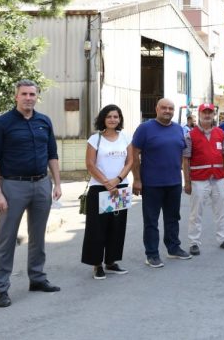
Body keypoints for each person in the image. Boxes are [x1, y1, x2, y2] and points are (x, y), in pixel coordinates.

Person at [0, 80, 62, 308]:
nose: (29, 97)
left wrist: (57, 184)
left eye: (32, 94)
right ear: (16, 97)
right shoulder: (2, 123)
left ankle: (37, 279)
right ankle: (1, 289)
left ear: (37, 97)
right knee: (6, 239)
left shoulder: (44, 121)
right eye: (24, 94)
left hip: (41, 185)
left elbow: (52, 154)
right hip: (12, 187)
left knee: (38, 236)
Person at [131, 98, 192, 268]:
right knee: (151, 221)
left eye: (170, 108)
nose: (167, 111)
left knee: (173, 218)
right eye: (164, 108)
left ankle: (173, 248)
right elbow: (134, 153)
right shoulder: (145, 128)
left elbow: (181, 153)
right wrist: (136, 179)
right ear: (156, 109)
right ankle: (152, 254)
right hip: (151, 183)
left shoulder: (179, 129)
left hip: (173, 182)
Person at [82, 104, 133, 279]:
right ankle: (97, 264)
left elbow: (130, 161)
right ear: (103, 118)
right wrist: (106, 182)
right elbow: (90, 164)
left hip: (119, 188)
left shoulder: (125, 138)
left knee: (117, 227)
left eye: (116, 117)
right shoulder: (94, 139)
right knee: (97, 228)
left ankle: (111, 262)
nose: (113, 119)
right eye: (109, 116)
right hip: (99, 188)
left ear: (120, 119)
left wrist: (117, 180)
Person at [183, 103, 224, 255]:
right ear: (199, 114)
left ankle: (223, 238)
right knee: (196, 212)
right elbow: (185, 159)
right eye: (204, 112)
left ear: (214, 115)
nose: (207, 115)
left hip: (218, 178)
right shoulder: (190, 135)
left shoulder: (220, 133)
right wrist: (187, 182)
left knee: (221, 210)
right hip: (199, 179)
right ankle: (194, 242)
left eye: (210, 112)